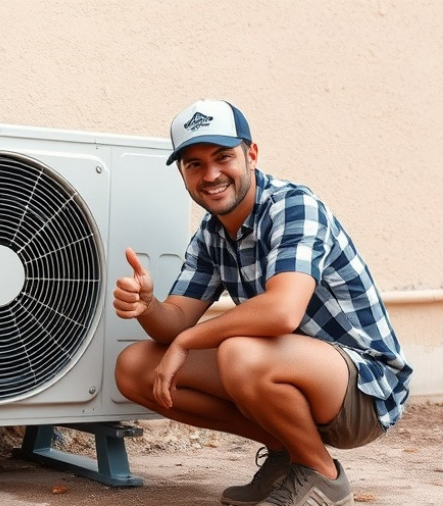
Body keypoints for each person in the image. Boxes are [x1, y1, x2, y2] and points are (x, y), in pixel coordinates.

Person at [113, 99, 412, 506]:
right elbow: (177, 321)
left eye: (223, 157)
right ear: (182, 172)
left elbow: (282, 311)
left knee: (240, 353)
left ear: (251, 154)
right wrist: (148, 305)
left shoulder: (293, 206)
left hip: (363, 387)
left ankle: (322, 475)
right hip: (290, 370)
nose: (211, 174)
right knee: (134, 368)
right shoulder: (211, 233)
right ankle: (289, 455)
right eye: (194, 164)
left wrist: (187, 342)